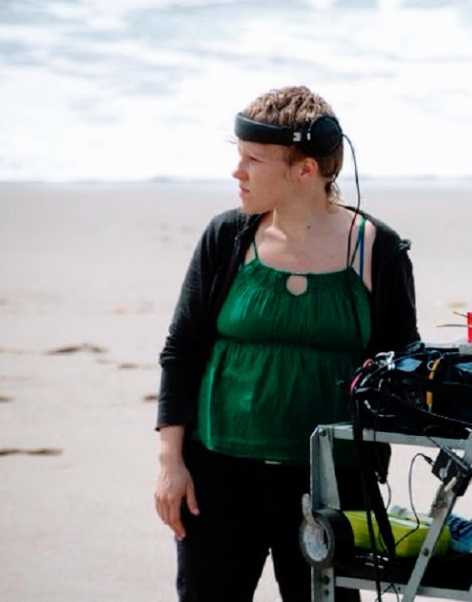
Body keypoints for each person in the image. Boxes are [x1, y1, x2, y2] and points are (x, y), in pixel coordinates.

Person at [153, 85, 419, 601]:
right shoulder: (226, 238)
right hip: (217, 478)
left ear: (305, 170)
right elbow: (180, 351)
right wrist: (171, 462)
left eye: (253, 159)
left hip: (330, 488)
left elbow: (400, 366)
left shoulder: (377, 250)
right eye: (238, 156)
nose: (238, 172)